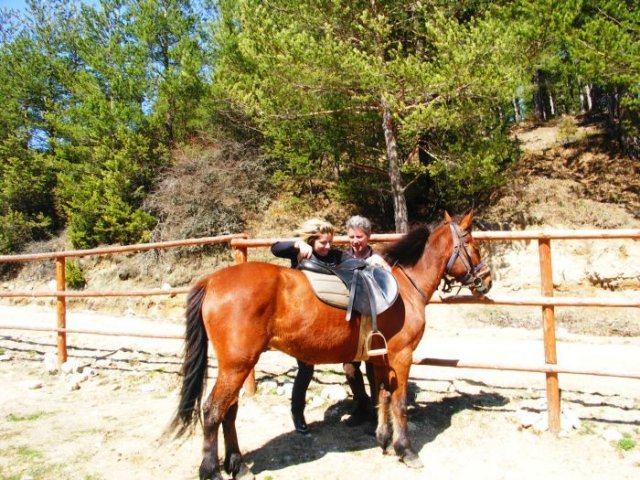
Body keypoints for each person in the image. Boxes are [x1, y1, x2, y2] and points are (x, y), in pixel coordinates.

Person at [270, 218, 344, 434]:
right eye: (323, 242)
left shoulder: (334, 255)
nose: (327, 246)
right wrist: (297, 244)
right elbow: (275, 248)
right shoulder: (299, 252)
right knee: (305, 369)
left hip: (328, 320)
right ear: (312, 241)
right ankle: (297, 413)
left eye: (330, 242)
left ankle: (363, 406)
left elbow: (353, 262)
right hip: (303, 321)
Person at [341, 215, 390, 427]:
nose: (355, 241)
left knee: (373, 368)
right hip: (350, 322)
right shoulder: (343, 258)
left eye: (359, 237)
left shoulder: (377, 258)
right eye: (351, 237)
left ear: (368, 237)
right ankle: (361, 405)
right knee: (349, 367)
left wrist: (383, 267)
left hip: (373, 321)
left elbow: (391, 284)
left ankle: (376, 411)